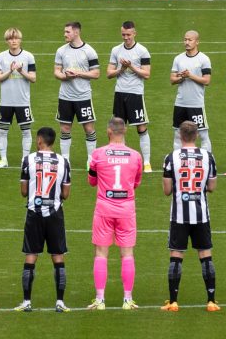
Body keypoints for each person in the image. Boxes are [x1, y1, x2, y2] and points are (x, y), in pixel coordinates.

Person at [160, 121, 220, 312]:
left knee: (176, 255)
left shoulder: (171, 158)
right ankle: (211, 300)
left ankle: (173, 301)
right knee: (205, 255)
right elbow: (211, 187)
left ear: (180, 135)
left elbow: (167, 190)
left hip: (179, 215)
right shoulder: (208, 157)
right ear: (196, 136)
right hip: (201, 214)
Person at [87, 117, 143, 310]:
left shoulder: (97, 154)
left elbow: (92, 181)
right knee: (127, 254)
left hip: (104, 208)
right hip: (126, 209)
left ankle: (100, 300)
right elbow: (136, 183)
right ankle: (127, 299)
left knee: (101, 253)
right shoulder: (136, 156)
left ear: (108, 131)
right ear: (125, 131)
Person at [15, 126, 72, 313]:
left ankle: (27, 301)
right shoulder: (63, 162)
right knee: (58, 256)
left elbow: (23, 192)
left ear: (39, 140)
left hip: (34, 213)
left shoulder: (28, 160)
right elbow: (66, 193)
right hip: (55, 214)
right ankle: (60, 302)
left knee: (31, 255)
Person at [106, 20, 153, 171]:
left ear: (134, 33)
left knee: (141, 127)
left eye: (128, 35)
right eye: (123, 35)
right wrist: (121, 69)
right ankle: (121, 158)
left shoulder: (142, 51)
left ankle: (146, 162)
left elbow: (147, 74)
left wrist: (131, 66)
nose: (125, 38)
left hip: (135, 94)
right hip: (120, 93)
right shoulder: (116, 50)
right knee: (118, 127)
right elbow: (109, 73)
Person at [53, 21, 101, 163]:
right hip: (65, 97)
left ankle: (90, 161)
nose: (65, 34)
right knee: (65, 128)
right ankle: (65, 160)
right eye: (65, 32)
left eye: (67, 32)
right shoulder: (61, 50)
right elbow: (56, 72)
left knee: (89, 128)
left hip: (83, 96)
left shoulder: (89, 51)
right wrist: (65, 76)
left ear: (76, 32)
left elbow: (96, 73)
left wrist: (78, 73)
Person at [0, 27, 37, 169]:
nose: (13, 41)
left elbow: (33, 78)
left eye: (16, 38)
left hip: (22, 101)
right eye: (11, 39)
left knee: (26, 131)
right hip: (6, 101)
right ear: (7, 41)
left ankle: (24, 160)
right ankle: (3, 159)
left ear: (20, 40)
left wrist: (21, 71)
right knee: (2, 130)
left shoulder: (28, 56)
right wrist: (10, 70)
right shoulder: (1, 56)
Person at [170, 30, 213, 152]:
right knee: (178, 134)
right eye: (185, 39)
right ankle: (177, 160)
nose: (187, 42)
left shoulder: (204, 59)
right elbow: (172, 80)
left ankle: (208, 160)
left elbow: (207, 80)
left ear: (197, 41)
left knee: (203, 135)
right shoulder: (178, 58)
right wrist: (182, 77)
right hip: (180, 103)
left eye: (190, 40)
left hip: (196, 104)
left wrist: (190, 75)